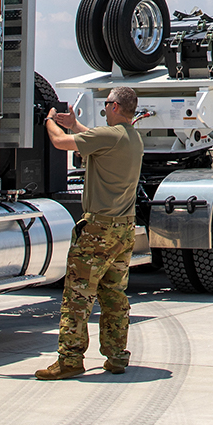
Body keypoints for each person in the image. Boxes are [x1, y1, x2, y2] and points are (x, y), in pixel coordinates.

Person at [35, 86, 144, 380]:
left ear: (117, 107)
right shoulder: (132, 138)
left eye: (107, 103)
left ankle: (70, 359)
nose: (104, 107)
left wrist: (48, 120)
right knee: (114, 295)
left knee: (78, 296)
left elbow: (59, 142)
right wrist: (75, 125)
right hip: (124, 228)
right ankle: (117, 356)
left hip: (98, 230)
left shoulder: (110, 136)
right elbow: (96, 140)